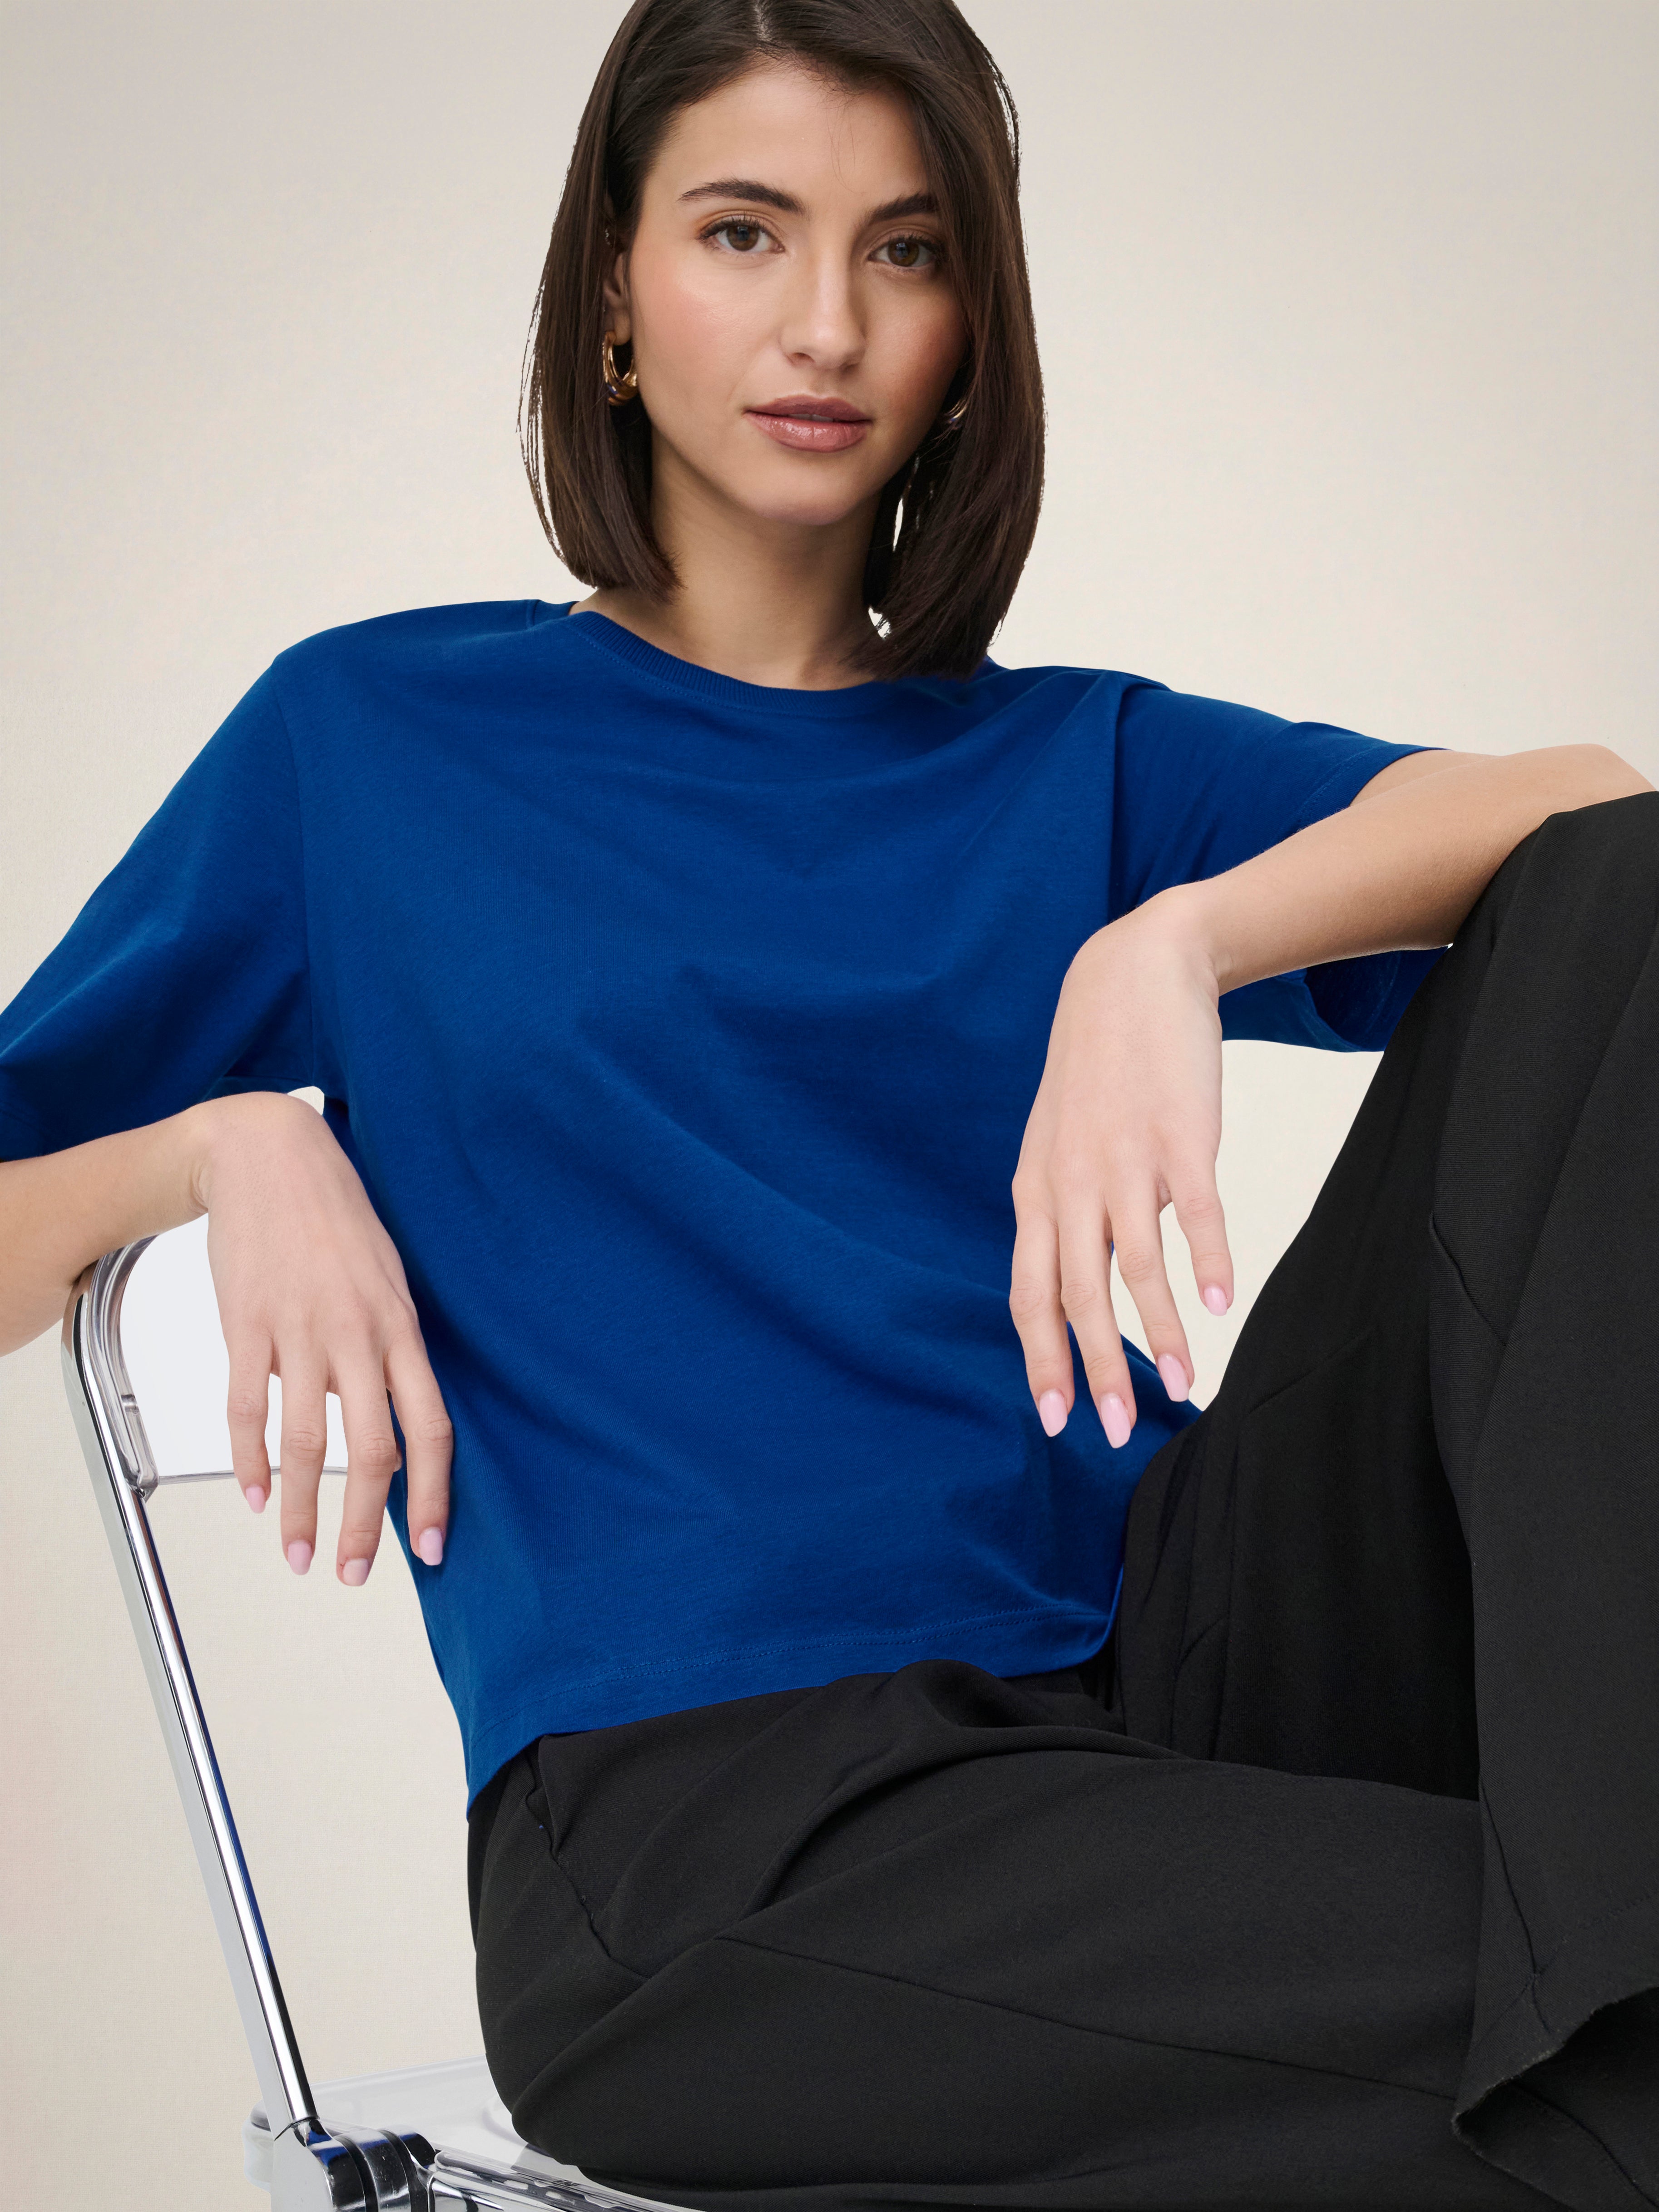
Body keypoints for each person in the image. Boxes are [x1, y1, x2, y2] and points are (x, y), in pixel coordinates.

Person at [1, 0, 1654, 2204]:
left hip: (1176, 1670)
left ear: (971, 330)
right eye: (742, 232)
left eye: (903, 249)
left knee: (1615, 900)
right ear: (612, 292)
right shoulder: (369, 742)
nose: (824, 325)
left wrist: (1163, 945)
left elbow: (1582, 809)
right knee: (1595, 2032)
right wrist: (228, 1142)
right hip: (721, 1823)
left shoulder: (1069, 763)